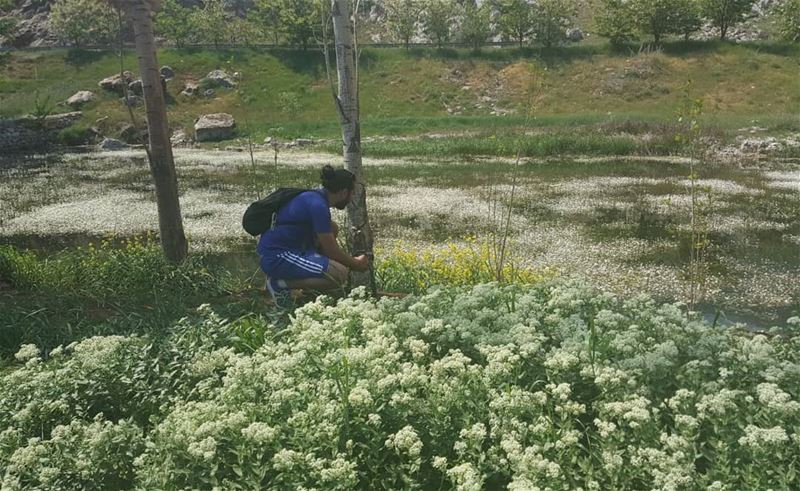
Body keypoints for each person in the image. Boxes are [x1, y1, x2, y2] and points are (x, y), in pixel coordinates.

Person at [258, 165, 371, 306]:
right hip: (278, 257)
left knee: (332, 227)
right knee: (339, 274)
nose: (352, 197)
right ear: (343, 192)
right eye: (352, 193)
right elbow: (332, 251)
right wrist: (356, 263)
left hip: (287, 252)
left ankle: (309, 289)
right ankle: (279, 283)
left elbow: (327, 239)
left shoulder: (315, 197)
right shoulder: (318, 206)